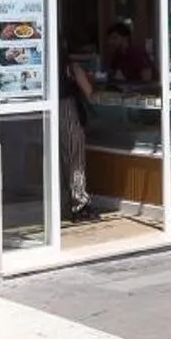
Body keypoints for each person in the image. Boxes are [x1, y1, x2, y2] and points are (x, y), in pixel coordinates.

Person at [57, 53, 109, 222]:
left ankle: (64, 204)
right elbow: (86, 87)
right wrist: (90, 92)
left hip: (46, 108)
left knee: (60, 158)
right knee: (74, 156)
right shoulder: (65, 59)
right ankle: (79, 204)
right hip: (65, 106)